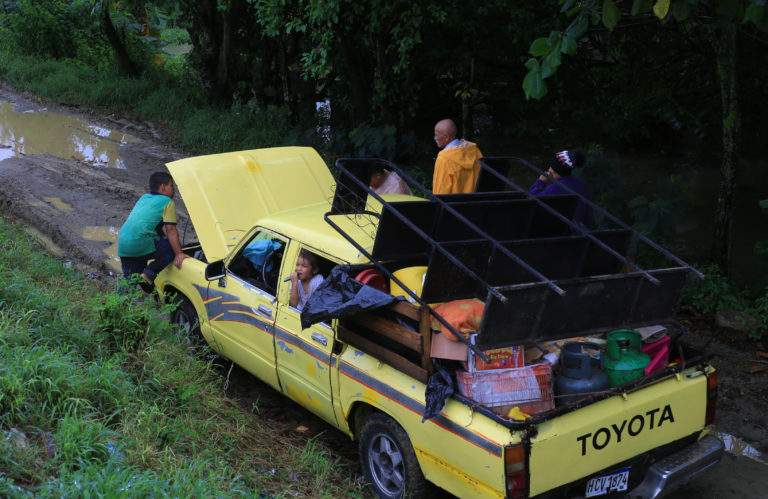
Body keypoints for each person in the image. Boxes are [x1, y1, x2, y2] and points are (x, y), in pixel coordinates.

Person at [118, 171, 189, 292]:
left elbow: (152, 226)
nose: (173, 190)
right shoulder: (168, 202)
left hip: (124, 244)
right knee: (172, 248)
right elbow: (171, 230)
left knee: (128, 282)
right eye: (171, 186)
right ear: (163, 187)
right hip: (140, 242)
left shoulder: (144, 198)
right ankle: (148, 274)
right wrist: (179, 253)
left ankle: (117, 307)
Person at [530, 150, 594, 229]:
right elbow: (589, 213)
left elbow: (533, 199)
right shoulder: (581, 184)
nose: (549, 169)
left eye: (551, 166)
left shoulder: (555, 188)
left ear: (555, 170)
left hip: (559, 232)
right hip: (579, 231)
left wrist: (540, 182)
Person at [432, 118, 483, 195]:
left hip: (454, 206)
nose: (434, 138)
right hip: (476, 204)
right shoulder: (475, 151)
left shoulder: (444, 159)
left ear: (446, 137)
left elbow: (440, 193)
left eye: (436, 135)